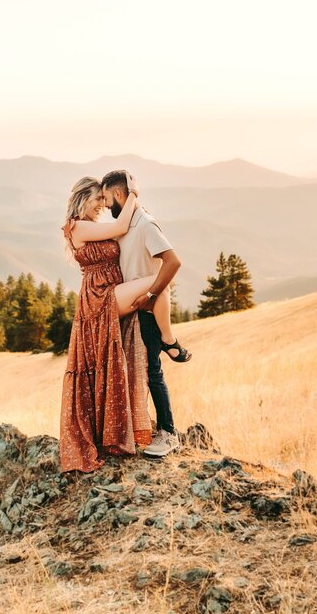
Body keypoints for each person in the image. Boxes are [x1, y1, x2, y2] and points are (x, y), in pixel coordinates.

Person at [58, 175, 175, 472]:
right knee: (159, 281)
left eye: (104, 198)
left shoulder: (93, 226)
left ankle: (115, 431)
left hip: (106, 292)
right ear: (84, 199)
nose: (102, 204)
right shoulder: (79, 225)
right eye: (98, 198)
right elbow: (122, 227)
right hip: (101, 295)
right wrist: (134, 192)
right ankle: (170, 341)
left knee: (115, 364)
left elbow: (122, 234)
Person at [100, 169, 190, 459]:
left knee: (152, 372)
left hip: (147, 309)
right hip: (133, 308)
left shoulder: (146, 224)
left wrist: (151, 296)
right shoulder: (127, 224)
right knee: (139, 373)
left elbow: (173, 261)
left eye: (105, 197)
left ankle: (168, 433)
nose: (103, 204)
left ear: (118, 195)